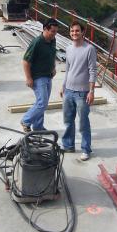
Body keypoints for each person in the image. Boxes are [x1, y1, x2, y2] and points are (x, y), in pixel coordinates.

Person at [60, 20, 97, 161]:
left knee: (83, 123)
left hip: (82, 93)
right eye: (72, 31)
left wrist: (91, 91)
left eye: (77, 31)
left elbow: (93, 71)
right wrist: (63, 86)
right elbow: (68, 70)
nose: (74, 33)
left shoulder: (89, 49)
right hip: (68, 91)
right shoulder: (68, 48)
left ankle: (86, 149)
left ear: (83, 32)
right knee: (68, 120)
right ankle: (68, 145)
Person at [20, 19, 59, 132]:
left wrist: (53, 68)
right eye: (52, 31)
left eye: (56, 32)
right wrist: (28, 78)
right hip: (38, 77)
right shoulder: (37, 42)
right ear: (44, 29)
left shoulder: (53, 40)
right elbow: (25, 61)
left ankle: (38, 127)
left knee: (41, 103)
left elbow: (52, 54)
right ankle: (26, 121)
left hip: (48, 76)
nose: (54, 34)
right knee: (42, 103)